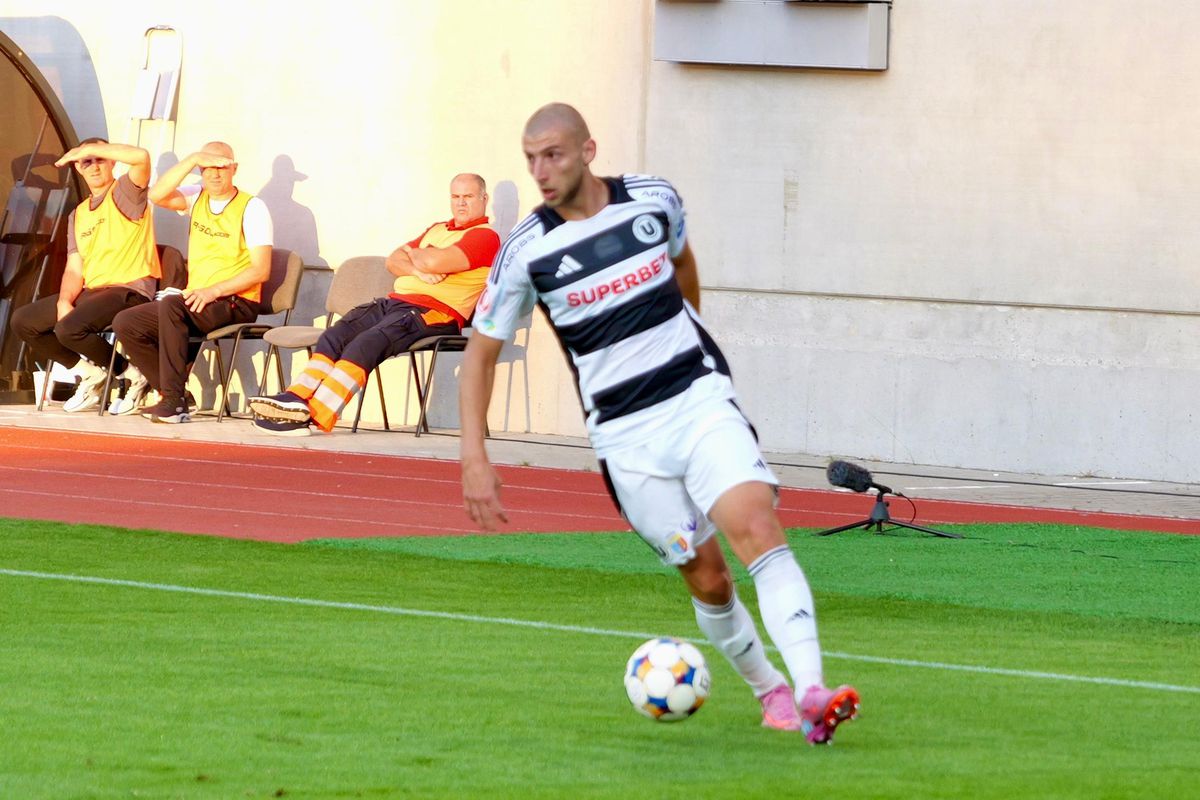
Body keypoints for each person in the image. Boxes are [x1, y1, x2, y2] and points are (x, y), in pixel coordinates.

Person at [459, 104, 860, 742]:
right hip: (625, 438)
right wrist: (475, 457)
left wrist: (692, 348)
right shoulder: (525, 250)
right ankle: (771, 691)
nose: (540, 169)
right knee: (708, 574)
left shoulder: (653, 200)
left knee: (756, 525)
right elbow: (479, 356)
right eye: (530, 157)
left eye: (553, 154)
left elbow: (684, 264)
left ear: (589, 150)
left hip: (698, 403)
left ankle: (813, 692)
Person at [248, 173, 499, 436]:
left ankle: (314, 414)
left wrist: (415, 254)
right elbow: (392, 261)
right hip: (395, 303)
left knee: (365, 343)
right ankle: (296, 398)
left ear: (484, 198)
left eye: (468, 197)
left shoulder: (485, 237)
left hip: (435, 313)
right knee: (336, 335)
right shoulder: (438, 228)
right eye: (456, 197)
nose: (461, 203)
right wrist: (418, 268)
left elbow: (432, 262)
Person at [112, 142, 273, 423]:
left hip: (237, 299)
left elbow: (261, 271)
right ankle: (174, 394)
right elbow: (157, 194)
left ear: (234, 168)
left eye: (221, 166)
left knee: (172, 306)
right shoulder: (196, 197)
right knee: (126, 322)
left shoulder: (253, 207)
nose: (215, 174)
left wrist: (214, 291)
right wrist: (192, 159)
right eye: (207, 167)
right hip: (198, 298)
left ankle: (173, 403)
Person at [11, 138, 160, 413]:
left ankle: (133, 376)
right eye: (86, 162)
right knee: (23, 321)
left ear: (112, 161)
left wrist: (88, 149)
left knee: (69, 328)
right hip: (93, 292)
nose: (93, 166)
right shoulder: (78, 214)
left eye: (99, 159)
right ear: (78, 168)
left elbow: (141, 156)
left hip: (129, 290)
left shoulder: (126, 192)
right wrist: (64, 301)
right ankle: (93, 373)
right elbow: (74, 266)